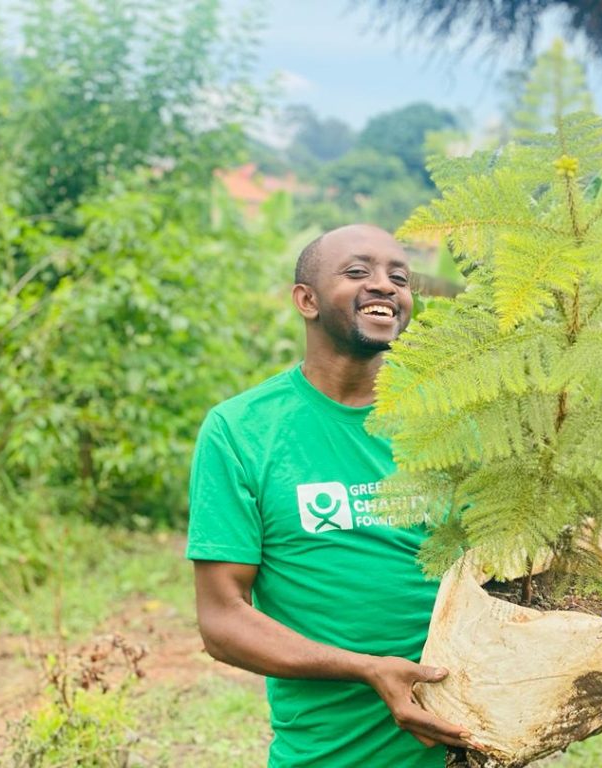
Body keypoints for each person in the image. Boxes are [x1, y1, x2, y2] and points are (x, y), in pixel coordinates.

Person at [186, 224, 474, 767]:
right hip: (327, 753)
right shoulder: (243, 431)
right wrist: (365, 668)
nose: (385, 286)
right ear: (307, 299)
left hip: (468, 745)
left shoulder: (452, 421)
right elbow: (222, 621)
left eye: (399, 277)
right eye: (358, 272)